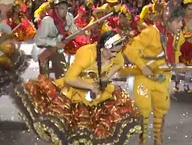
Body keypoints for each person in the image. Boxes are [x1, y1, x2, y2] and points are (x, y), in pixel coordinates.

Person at [12, 31, 141, 144]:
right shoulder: (86, 54)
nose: (115, 55)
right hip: (75, 92)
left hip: (99, 94)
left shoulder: (115, 53)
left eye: (117, 52)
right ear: (103, 48)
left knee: (95, 131)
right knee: (67, 131)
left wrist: (105, 78)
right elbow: (70, 78)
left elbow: (120, 63)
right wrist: (90, 86)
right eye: (112, 52)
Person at [122, 2, 185, 145]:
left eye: (181, 21)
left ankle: (158, 140)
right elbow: (129, 49)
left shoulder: (177, 36)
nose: (181, 25)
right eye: (177, 21)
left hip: (162, 77)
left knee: (161, 109)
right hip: (144, 77)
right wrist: (143, 67)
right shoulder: (150, 32)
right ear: (167, 21)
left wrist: (177, 66)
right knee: (144, 111)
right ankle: (142, 141)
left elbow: (172, 57)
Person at [32, 0, 78, 77]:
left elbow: (73, 29)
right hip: (44, 51)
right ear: (56, 9)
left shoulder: (68, 17)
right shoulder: (47, 21)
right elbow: (38, 40)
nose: (65, 11)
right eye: (62, 8)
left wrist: (80, 32)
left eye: (66, 8)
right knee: (44, 79)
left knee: (63, 74)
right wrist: (55, 43)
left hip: (57, 50)